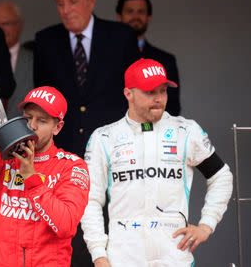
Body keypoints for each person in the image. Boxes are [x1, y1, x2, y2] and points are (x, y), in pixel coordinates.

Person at [81, 58, 233, 267]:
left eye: (162, 91)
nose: (158, 98)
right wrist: (99, 255)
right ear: (128, 94)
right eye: (149, 92)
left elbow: (221, 176)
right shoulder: (105, 137)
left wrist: (206, 225)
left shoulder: (186, 131)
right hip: (123, 259)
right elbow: (89, 199)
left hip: (174, 257)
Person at [33, 0, 139, 265]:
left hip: (115, 152)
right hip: (65, 155)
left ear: (91, 0)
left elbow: (135, 96)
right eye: (60, 3)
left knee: (114, 230)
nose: (67, 9)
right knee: (68, 236)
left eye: (73, 2)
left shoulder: (121, 36)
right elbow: (42, 103)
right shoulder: (46, 40)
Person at [0, 74, 90, 266]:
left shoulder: (71, 166)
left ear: (58, 127)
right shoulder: (3, 160)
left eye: (42, 121)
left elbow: (65, 226)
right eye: (28, 117)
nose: (32, 126)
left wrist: (31, 178)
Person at [116, 0, 181, 116]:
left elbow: (172, 107)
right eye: (130, 11)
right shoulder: (107, 57)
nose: (135, 16)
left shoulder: (165, 60)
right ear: (119, 17)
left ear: (149, 17)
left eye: (141, 12)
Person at [0, 1, 34, 119]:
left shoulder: (35, 60)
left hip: (26, 131)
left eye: (6, 23)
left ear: (20, 25)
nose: (0, 29)